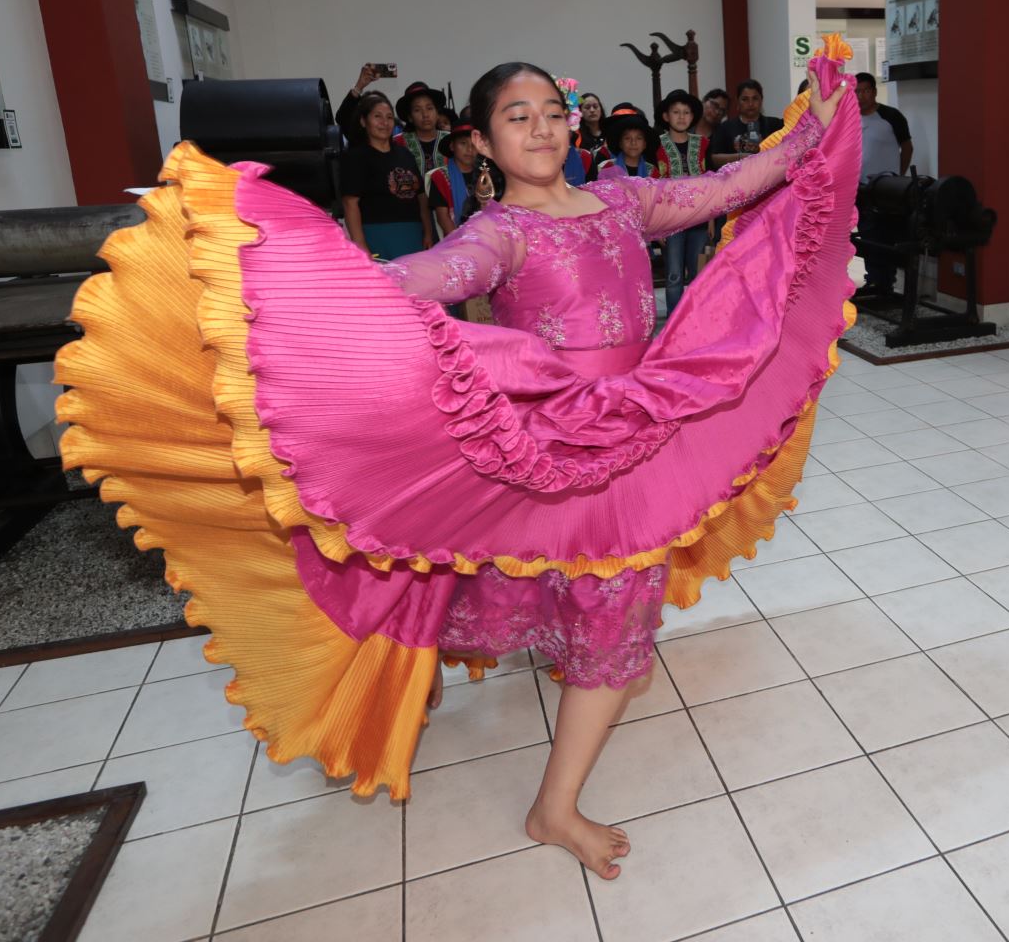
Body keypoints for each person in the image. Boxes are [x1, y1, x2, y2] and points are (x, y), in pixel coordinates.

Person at [54, 44, 858, 883]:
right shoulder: (499, 233)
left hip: (642, 426)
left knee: (601, 594)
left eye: (552, 111)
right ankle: (503, 752)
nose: (541, 127)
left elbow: (728, 189)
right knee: (530, 580)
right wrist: (305, 284)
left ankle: (559, 742)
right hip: (552, 445)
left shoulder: (626, 199)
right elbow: (418, 279)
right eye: (519, 117)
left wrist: (814, 134)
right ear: (480, 140)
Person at [340, 90, 432, 260]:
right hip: (377, 236)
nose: (385, 122)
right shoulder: (356, 157)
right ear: (363, 121)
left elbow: (421, 196)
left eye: (389, 117)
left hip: (412, 235)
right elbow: (349, 203)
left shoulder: (404, 154)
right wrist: (361, 246)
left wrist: (427, 232)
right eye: (378, 116)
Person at [654, 89, 715, 314]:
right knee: (673, 275)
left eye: (686, 112)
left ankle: (694, 322)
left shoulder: (703, 144)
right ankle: (673, 323)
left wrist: (710, 218)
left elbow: (711, 183)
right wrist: (657, 224)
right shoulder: (657, 145)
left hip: (699, 219)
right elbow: (653, 189)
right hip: (670, 222)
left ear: (692, 116)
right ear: (665, 116)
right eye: (676, 112)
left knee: (698, 275)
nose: (681, 117)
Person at [855, 72, 914, 297]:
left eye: (865, 90)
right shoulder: (850, 119)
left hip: (885, 189)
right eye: (856, 91)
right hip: (859, 188)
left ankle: (886, 281)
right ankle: (873, 280)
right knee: (866, 234)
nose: (861, 96)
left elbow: (907, 147)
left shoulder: (891, 116)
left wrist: (898, 175)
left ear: (874, 91)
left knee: (884, 234)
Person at [428, 113, 481, 237]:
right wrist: (461, 241)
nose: (469, 149)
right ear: (452, 146)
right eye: (463, 143)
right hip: (456, 240)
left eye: (473, 145)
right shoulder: (440, 177)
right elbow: (443, 218)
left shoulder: (486, 174)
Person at [711, 79, 784, 162]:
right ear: (738, 101)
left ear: (761, 100)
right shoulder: (725, 127)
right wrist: (742, 157)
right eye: (745, 99)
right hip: (736, 174)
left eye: (755, 98)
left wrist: (762, 148)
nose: (750, 104)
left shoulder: (775, 125)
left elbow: (786, 152)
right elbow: (714, 159)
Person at [396, 81, 449, 178]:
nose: (425, 115)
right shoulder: (397, 142)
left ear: (437, 113)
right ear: (410, 117)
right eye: (417, 110)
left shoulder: (450, 139)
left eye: (429, 108)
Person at [598, 106, 662, 179]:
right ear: (620, 143)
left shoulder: (652, 171)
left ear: (645, 144)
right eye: (627, 138)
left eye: (639, 138)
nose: (633, 143)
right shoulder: (607, 167)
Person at [576, 92, 610, 165]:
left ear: (600, 109)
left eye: (595, 106)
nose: (592, 110)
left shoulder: (610, 131)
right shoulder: (576, 135)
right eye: (587, 107)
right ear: (580, 111)